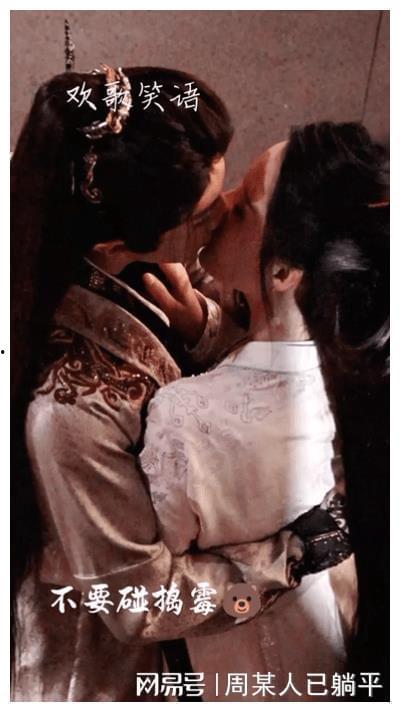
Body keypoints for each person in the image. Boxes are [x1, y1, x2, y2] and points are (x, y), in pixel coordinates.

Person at [11, 66, 350, 701]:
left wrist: (201, 330)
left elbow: (201, 333)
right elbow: (135, 601)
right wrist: (293, 554)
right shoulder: (70, 408)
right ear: (116, 240)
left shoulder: (142, 252)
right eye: (203, 215)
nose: (225, 214)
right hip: (106, 659)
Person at [140, 123, 388, 701]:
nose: (220, 204)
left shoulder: (185, 416)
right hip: (335, 653)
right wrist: (207, 329)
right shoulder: (353, 373)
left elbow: (151, 593)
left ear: (282, 271)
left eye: (245, 204)